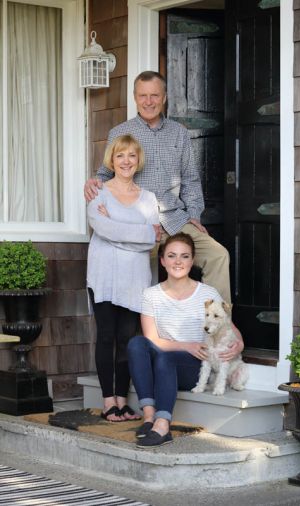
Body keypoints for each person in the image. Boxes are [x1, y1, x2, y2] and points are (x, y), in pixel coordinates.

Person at [84, 70, 232, 304]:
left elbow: (191, 179)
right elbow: (104, 173)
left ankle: (218, 330)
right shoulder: (120, 133)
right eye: (143, 95)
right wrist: (93, 181)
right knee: (145, 275)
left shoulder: (179, 134)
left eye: (154, 95)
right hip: (140, 222)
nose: (148, 101)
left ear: (164, 98)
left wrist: (194, 215)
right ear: (135, 97)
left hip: (176, 219)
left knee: (219, 256)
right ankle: (149, 338)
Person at [127, 233, 244, 448]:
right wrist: (184, 345)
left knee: (167, 359)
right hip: (164, 357)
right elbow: (152, 338)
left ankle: (163, 426)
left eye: (184, 256)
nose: (178, 262)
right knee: (136, 344)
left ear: (192, 260)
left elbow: (230, 327)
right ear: (162, 261)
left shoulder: (208, 294)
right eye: (171, 256)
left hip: (192, 365)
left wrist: (240, 344)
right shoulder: (151, 295)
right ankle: (149, 417)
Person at [87, 134, 160, 422]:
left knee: (128, 339)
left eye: (131, 155)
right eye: (120, 156)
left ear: (137, 160)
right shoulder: (98, 194)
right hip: (104, 276)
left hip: (134, 279)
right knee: (106, 337)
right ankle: (108, 402)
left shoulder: (149, 198)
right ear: (112, 160)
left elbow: (153, 240)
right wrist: (137, 233)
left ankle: (122, 400)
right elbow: (102, 229)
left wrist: (116, 227)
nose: (126, 161)